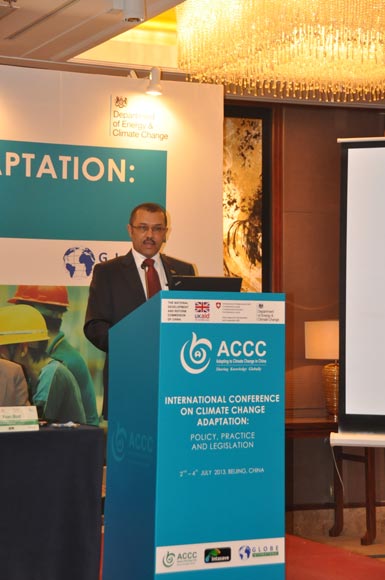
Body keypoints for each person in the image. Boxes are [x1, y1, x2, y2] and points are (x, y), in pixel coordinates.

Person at [84, 202, 196, 418]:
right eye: (143, 228)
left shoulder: (184, 270)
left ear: (166, 233)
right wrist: (134, 345)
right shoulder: (107, 272)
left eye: (157, 229)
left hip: (178, 379)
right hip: (128, 379)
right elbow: (94, 326)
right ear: (130, 230)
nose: (150, 235)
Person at [8, 285, 99, 426]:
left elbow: (37, 423)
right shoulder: (46, 357)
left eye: (21, 309)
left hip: (75, 441)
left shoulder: (63, 364)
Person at [0, 304, 86, 424]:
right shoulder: (33, 378)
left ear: (23, 348)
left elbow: (35, 425)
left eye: (2, 351)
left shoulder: (52, 374)